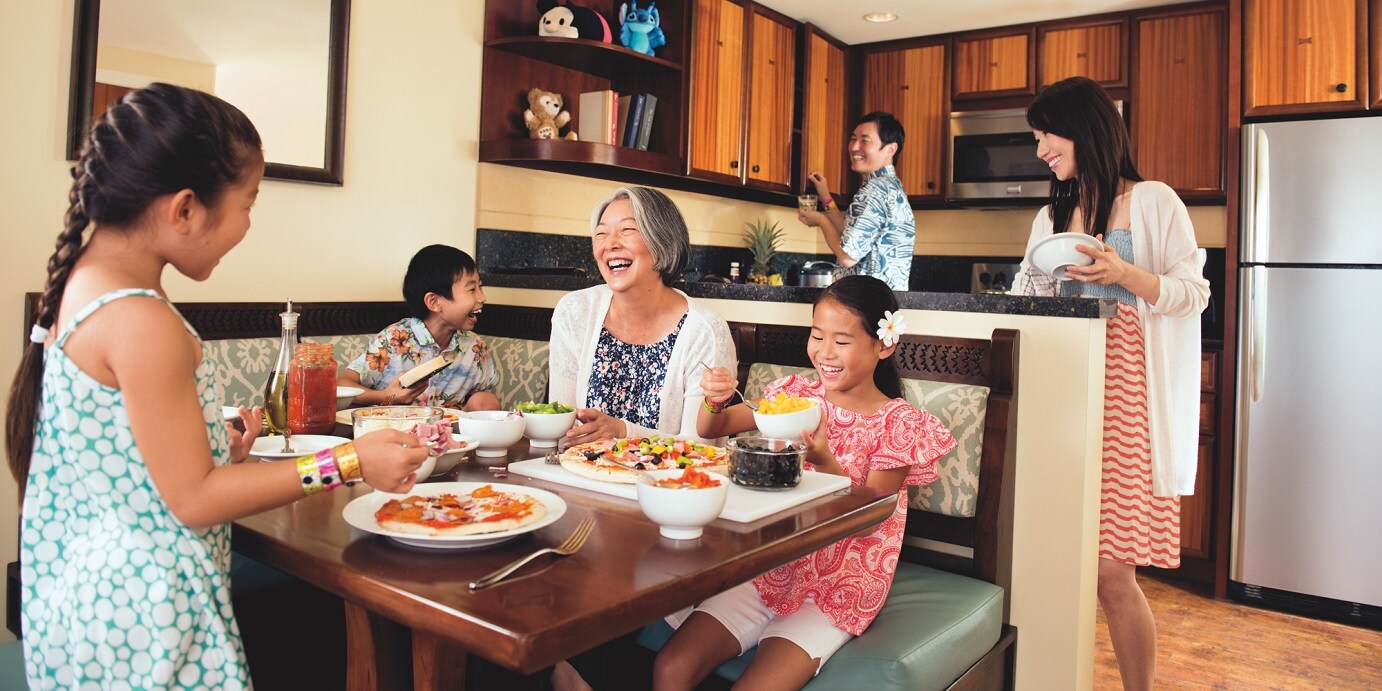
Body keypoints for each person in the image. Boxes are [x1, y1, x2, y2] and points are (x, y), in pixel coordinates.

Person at [5, 83, 429, 690]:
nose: (249, 223)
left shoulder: (83, 286)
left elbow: (125, 467)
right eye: (249, 202)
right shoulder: (143, 321)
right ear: (184, 209)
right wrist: (350, 459)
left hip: (90, 607)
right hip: (145, 619)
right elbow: (194, 500)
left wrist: (211, 451)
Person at [651, 275, 958, 690]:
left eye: (842, 341)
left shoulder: (900, 424)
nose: (824, 352)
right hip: (771, 565)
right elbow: (713, 426)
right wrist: (715, 397)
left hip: (839, 583)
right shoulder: (794, 396)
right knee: (671, 667)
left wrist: (825, 461)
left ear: (884, 345)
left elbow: (870, 515)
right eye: (817, 336)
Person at [1013, 76, 1209, 691]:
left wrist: (1128, 273)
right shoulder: (1051, 214)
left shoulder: (1153, 201)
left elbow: (1194, 293)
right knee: (1057, 563)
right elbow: (1027, 296)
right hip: (1064, 396)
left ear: (1089, 127)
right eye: (1037, 137)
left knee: (1109, 576)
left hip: (1129, 404)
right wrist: (1039, 284)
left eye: (1047, 133)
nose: (1041, 148)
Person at [548, 187, 735, 446]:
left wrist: (625, 433)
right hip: (582, 476)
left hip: (669, 485)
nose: (610, 244)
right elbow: (559, 426)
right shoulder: (574, 312)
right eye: (601, 233)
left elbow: (701, 447)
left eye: (627, 230)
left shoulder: (705, 330)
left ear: (662, 241)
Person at [340, 244, 501, 410]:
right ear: (434, 302)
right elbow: (343, 385)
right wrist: (387, 396)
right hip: (393, 430)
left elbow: (479, 405)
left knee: (487, 400)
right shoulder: (394, 339)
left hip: (448, 433)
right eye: (472, 289)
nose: (482, 297)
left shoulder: (475, 347)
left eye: (480, 287)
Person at [797, 112, 915, 291]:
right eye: (853, 139)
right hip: (883, 301)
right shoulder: (890, 187)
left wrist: (821, 220)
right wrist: (826, 197)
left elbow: (847, 257)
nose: (854, 147)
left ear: (891, 149)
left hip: (864, 300)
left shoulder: (873, 191)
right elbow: (851, 238)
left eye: (865, 140)